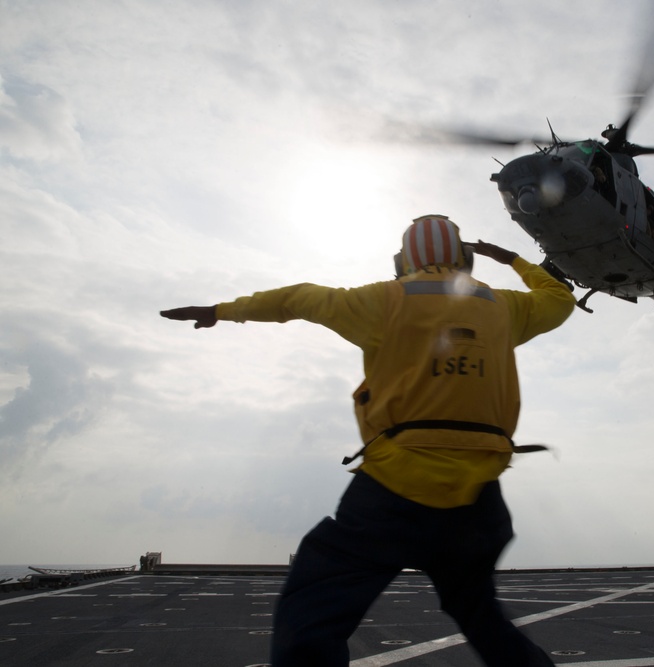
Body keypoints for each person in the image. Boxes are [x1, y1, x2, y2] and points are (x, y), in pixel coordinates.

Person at [160, 214, 576, 666]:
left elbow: (297, 298)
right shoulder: (505, 307)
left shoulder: (384, 299)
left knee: (312, 614)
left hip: (393, 489)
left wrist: (221, 311)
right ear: (468, 259)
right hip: (478, 501)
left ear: (403, 261)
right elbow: (560, 298)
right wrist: (512, 258)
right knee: (482, 618)